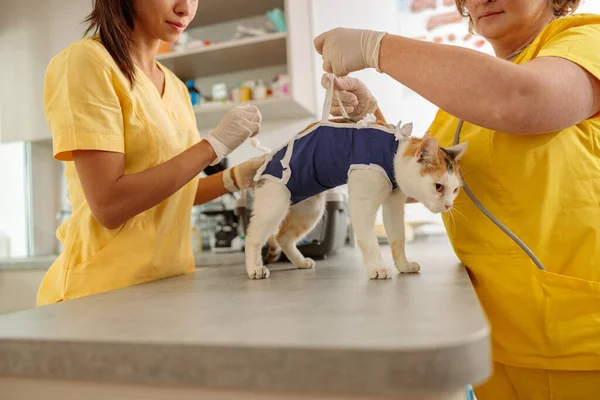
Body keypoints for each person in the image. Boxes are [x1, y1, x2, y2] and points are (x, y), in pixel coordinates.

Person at [314, 0, 600, 398]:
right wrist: (372, 116)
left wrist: (375, 47)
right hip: (488, 339)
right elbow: (418, 185)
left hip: (578, 342)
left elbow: (523, 99)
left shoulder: (588, 42)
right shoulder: (463, 102)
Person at [37, 0, 265, 305]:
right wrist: (214, 146)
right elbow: (109, 204)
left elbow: (172, 192)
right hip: (100, 294)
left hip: (170, 285)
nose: (186, 8)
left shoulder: (176, 87)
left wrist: (236, 177)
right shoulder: (87, 61)